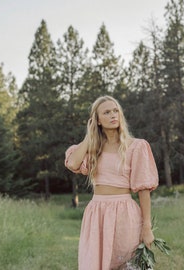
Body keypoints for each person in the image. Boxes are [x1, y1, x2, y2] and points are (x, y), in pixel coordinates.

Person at [64, 95, 159, 270]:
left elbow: (143, 190)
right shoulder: (93, 149)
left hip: (125, 213)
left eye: (116, 111)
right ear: (97, 120)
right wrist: (89, 134)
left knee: (127, 263)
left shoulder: (136, 146)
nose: (113, 115)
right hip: (96, 213)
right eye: (106, 112)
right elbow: (72, 163)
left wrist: (147, 227)